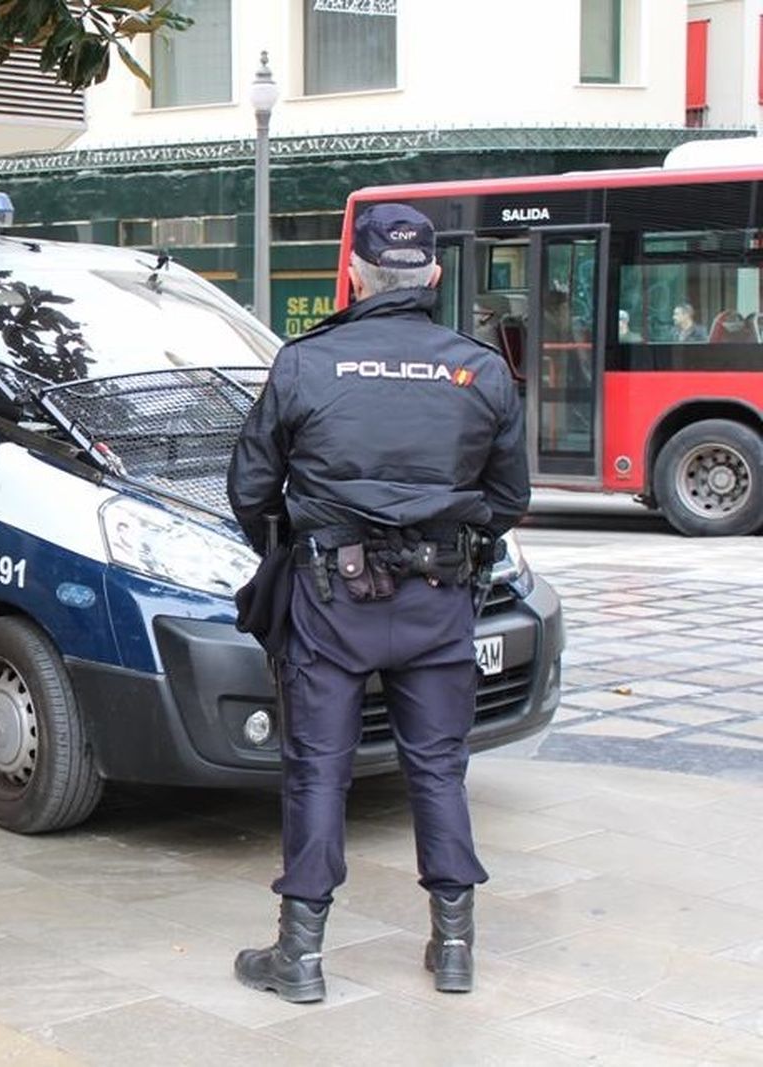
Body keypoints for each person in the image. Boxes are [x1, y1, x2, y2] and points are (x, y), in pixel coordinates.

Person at [226, 204, 530, 1004]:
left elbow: (250, 488)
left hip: (331, 600)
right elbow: (509, 498)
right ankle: (455, 946)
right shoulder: (480, 368)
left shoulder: (305, 362)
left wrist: (293, 547)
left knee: (317, 772)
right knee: (439, 769)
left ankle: (300, 957)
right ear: (432, 276)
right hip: (439, 598)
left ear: (355, 275)